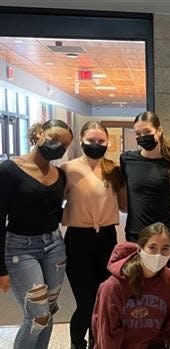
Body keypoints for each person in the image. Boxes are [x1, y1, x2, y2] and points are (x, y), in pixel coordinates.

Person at [0, 119, 73, 349]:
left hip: (54, 246)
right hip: (20, 249)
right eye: (54, 138)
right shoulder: (8, 170)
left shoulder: (60, 175)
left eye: (64, 144)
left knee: (48, 311)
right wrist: (0, 268)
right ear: (40, 133)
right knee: (37, 315)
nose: (58, 145)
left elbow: (55, 213)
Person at [61, 121, 125, 349]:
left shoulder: (114, 170)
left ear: (108, 142)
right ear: (81, 140)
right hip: (78, 240)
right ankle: (77, 344)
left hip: (107, 240)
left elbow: (125, 206)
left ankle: (97, 343)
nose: (96, 145)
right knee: (86, 302)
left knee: (103, 301)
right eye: (91, 141)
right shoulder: (68, 169)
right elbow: (52, 203)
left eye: (101, 141)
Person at [92, 222, 170, 349]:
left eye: (165, 249)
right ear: (140, 249)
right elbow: (107, 336)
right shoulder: (114, 286)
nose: (158, 255)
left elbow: (169, 328)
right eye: (152, 247)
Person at [121, 111, 170, 266]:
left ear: (159, 130)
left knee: (164, 285)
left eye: (147, 132)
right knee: (136, 284)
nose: (142, 137)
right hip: (135, 234)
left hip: (164, 235)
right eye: (138, 133)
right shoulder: (127, 159)